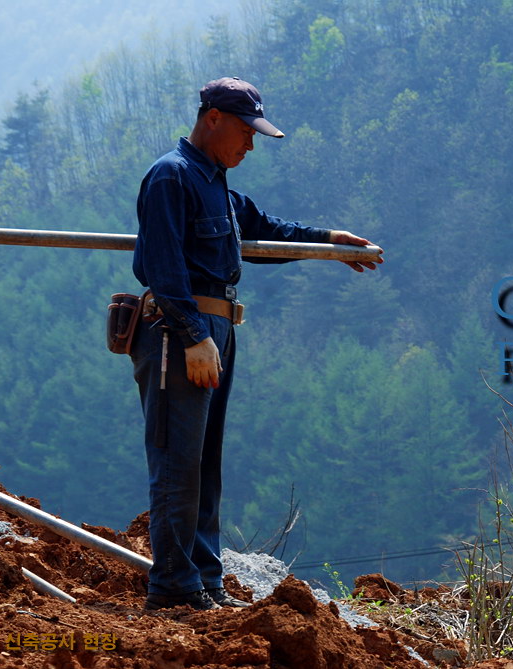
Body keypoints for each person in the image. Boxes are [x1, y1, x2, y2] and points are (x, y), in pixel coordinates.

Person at [130, 77, 382, 611]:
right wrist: (194, 334)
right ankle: (174, 590)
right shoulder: (170, 177)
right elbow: (163, 265)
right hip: (184, 331)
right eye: (245, 132)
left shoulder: (213, 181)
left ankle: (204, 582)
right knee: (178, 460)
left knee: (203, 463)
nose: (249, 145)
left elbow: (265, 231)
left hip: (214, 328)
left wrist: (329, 244)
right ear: (213, 118)